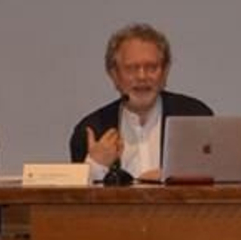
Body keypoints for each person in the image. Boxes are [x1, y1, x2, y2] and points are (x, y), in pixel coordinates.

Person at [68, 23, 214, 182]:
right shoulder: (93, 130)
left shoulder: (195, 117)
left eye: (151, 67)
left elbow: (236, 172)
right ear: (114, 75)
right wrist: (96, 166)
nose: (142, 77)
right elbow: (77, 202)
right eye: (131, 68)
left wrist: (175, 178)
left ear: (165, 72)